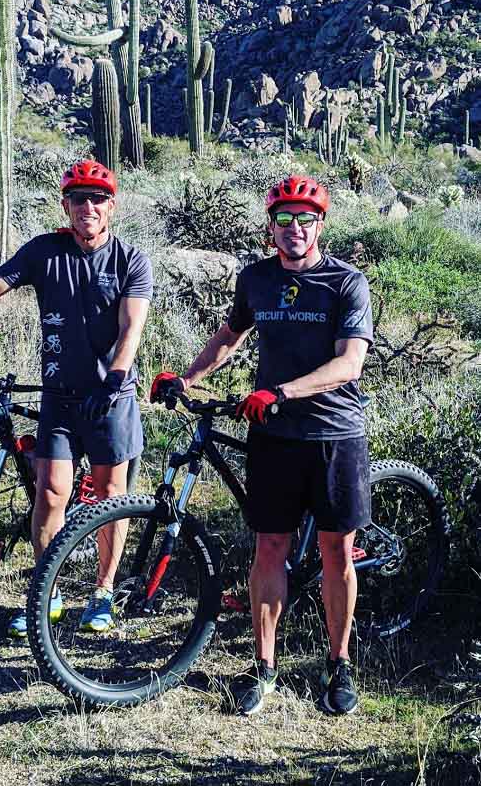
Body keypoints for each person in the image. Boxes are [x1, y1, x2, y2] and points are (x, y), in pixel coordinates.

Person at [151, 175, 373, 717]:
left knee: (334, 551)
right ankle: (264, 666)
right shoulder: (256, 278)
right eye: (283, 219)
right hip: (272, 437)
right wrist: (187, 378)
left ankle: (339, 662)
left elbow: (350, 363)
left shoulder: (346, 283)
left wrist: (282, 391)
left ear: (320, 223)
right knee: (269, 548)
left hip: (333, 434)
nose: (293, 229)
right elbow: (229, 337)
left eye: (305, 219)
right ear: (270, 224)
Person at [0, 160, 153, 637]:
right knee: (49, 494)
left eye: (98, 199)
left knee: (110, 494)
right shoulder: (45, 251)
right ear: (65, 206)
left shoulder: (130, 259)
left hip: (112, 398)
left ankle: (102, 592)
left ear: (112, 206)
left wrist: (116, 378)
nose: (88, 207)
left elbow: (132, 328)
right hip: (60, 398)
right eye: (79, 199)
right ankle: (50, 595)